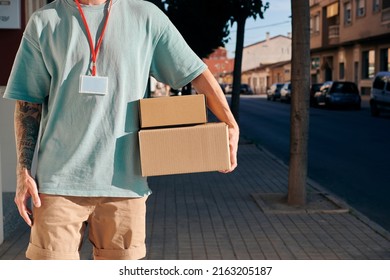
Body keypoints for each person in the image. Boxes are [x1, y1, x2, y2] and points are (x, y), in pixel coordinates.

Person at [4, 0, 239, 260]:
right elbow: (28, 101)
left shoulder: (145, 16)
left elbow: (195, 71)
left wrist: (230, 122)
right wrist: (22, 171)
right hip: (58, 185)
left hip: (125, 184)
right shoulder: (45, 20)